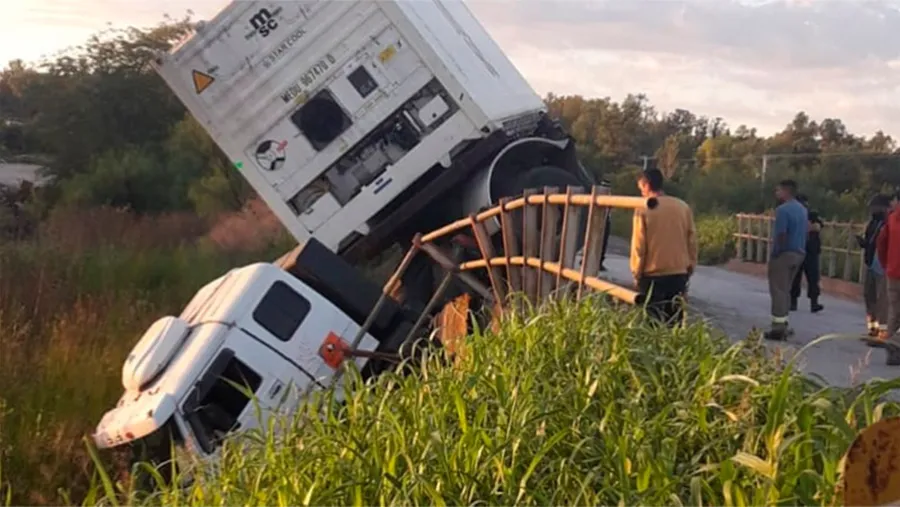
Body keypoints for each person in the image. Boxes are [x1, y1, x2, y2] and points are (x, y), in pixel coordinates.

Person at [630, 169, 697, 326]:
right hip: (678, 272)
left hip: (652, 274)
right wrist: (690, 266)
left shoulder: (643, 209)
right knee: (674, 322)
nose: (641, 193)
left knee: (652, 323)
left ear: (646, 185)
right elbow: (692, 240)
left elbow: (639, 245)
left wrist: (636, 272)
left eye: (641, 188)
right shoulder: (682, 207)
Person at [764, 180, 807, 341]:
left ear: (786, 191)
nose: (776, 193)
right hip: (799, 253)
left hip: (784, 253)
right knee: (786, 289)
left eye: (779, 190)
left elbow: (782, 233)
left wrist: (776, 252)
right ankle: (784, 322)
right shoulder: (802, 209)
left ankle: (778, 328)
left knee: (778, 290)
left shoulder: (782, 210)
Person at [858, 194, 890, 340]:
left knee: (882, 300)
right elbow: (871, 241)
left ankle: (882, 333)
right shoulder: (873, 223)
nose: (872, 210)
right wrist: (863, 243)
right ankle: (872, 329)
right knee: (869, 296)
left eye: (875, 207)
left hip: (883, 266)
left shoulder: (888, 223)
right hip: (871, 263)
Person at [876, 191, 900, 365]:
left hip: (893, 272)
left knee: (894, 312)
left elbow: (881, 242)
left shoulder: (891, 219)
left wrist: (886, 264)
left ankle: (892, 349)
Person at [790, 194, 824, 313]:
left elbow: (817, 226)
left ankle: (814, 303)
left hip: (811, 251)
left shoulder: (812, 215)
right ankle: (792, 301)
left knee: (813, 278)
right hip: (797, 250)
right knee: (794, 277)